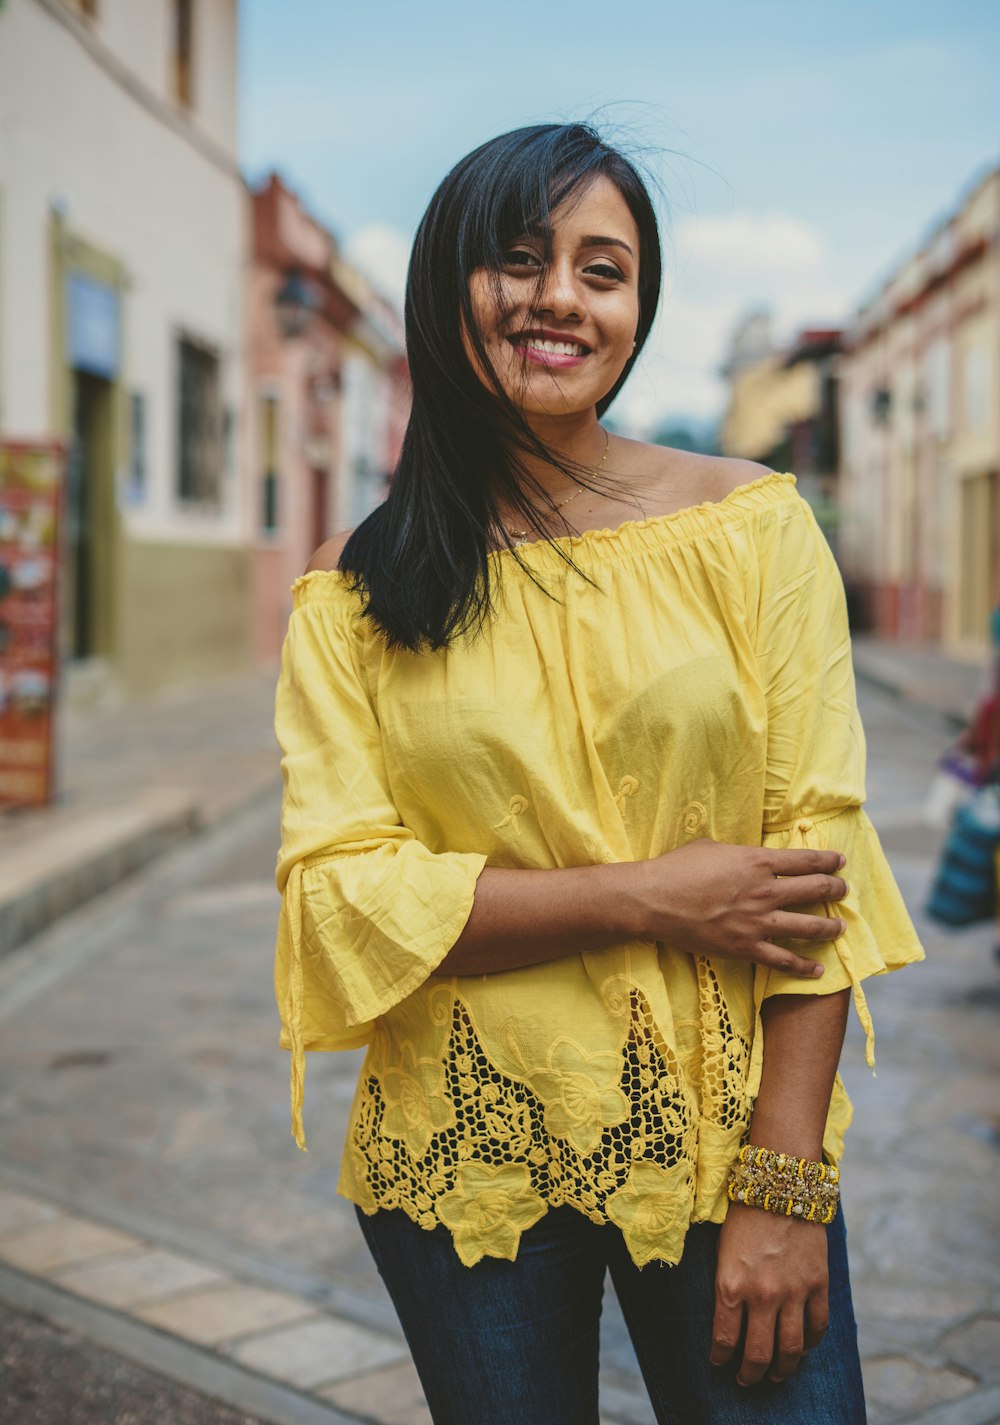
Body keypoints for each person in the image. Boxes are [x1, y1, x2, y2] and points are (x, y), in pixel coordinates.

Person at [274, 123, 924, 1425]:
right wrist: (651, 897)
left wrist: (784, 1183)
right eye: (519, 259)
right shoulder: (357, 585)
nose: (560, 296)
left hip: (724, 1144)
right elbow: (345, 903)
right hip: (462, 1156)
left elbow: (817, 863)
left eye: (603, 268)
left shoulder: (753, 531)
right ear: (448, 283)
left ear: (636, 307)